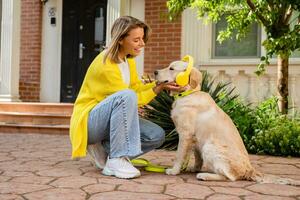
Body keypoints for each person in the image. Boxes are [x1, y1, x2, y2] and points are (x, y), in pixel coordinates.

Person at [69, 16, 182, 179]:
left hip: (109, 118)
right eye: (137, 40)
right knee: (126, 96)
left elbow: (135, 88)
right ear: (121, 39)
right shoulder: (106, 64)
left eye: (142, 39)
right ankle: (116, 159)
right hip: (89, 122)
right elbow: (131, 98)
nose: (142, 44)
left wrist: (161, 83)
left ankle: (107, 152)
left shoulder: (127, 60)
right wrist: (157, 89)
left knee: (156, 135)